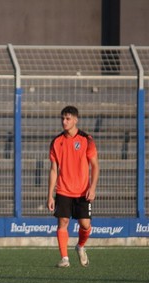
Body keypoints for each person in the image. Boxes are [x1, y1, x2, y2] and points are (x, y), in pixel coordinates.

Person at [47, 106, 99, 268]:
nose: (64, 121)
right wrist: (50, 195)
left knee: (85, 225)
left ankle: (80, 246)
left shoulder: (86, 139)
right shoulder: (56, 142)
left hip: (83, 190)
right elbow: (54, 169)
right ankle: (65, 258)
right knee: (62, 222)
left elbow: (95, 166)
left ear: (76, 120)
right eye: (62, 118)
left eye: (68, 118)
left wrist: (93, 187)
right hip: (63, 190)